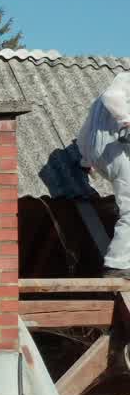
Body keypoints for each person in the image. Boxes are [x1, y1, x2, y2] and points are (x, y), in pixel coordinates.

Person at [76, 72, 130, 278]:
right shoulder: (125, 80)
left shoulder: (97, 103)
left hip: (100, 155)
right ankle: (117, 264)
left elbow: (84, 133)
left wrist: (86, 159)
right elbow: (112, 97)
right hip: (116, 152)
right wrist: (126, 122)